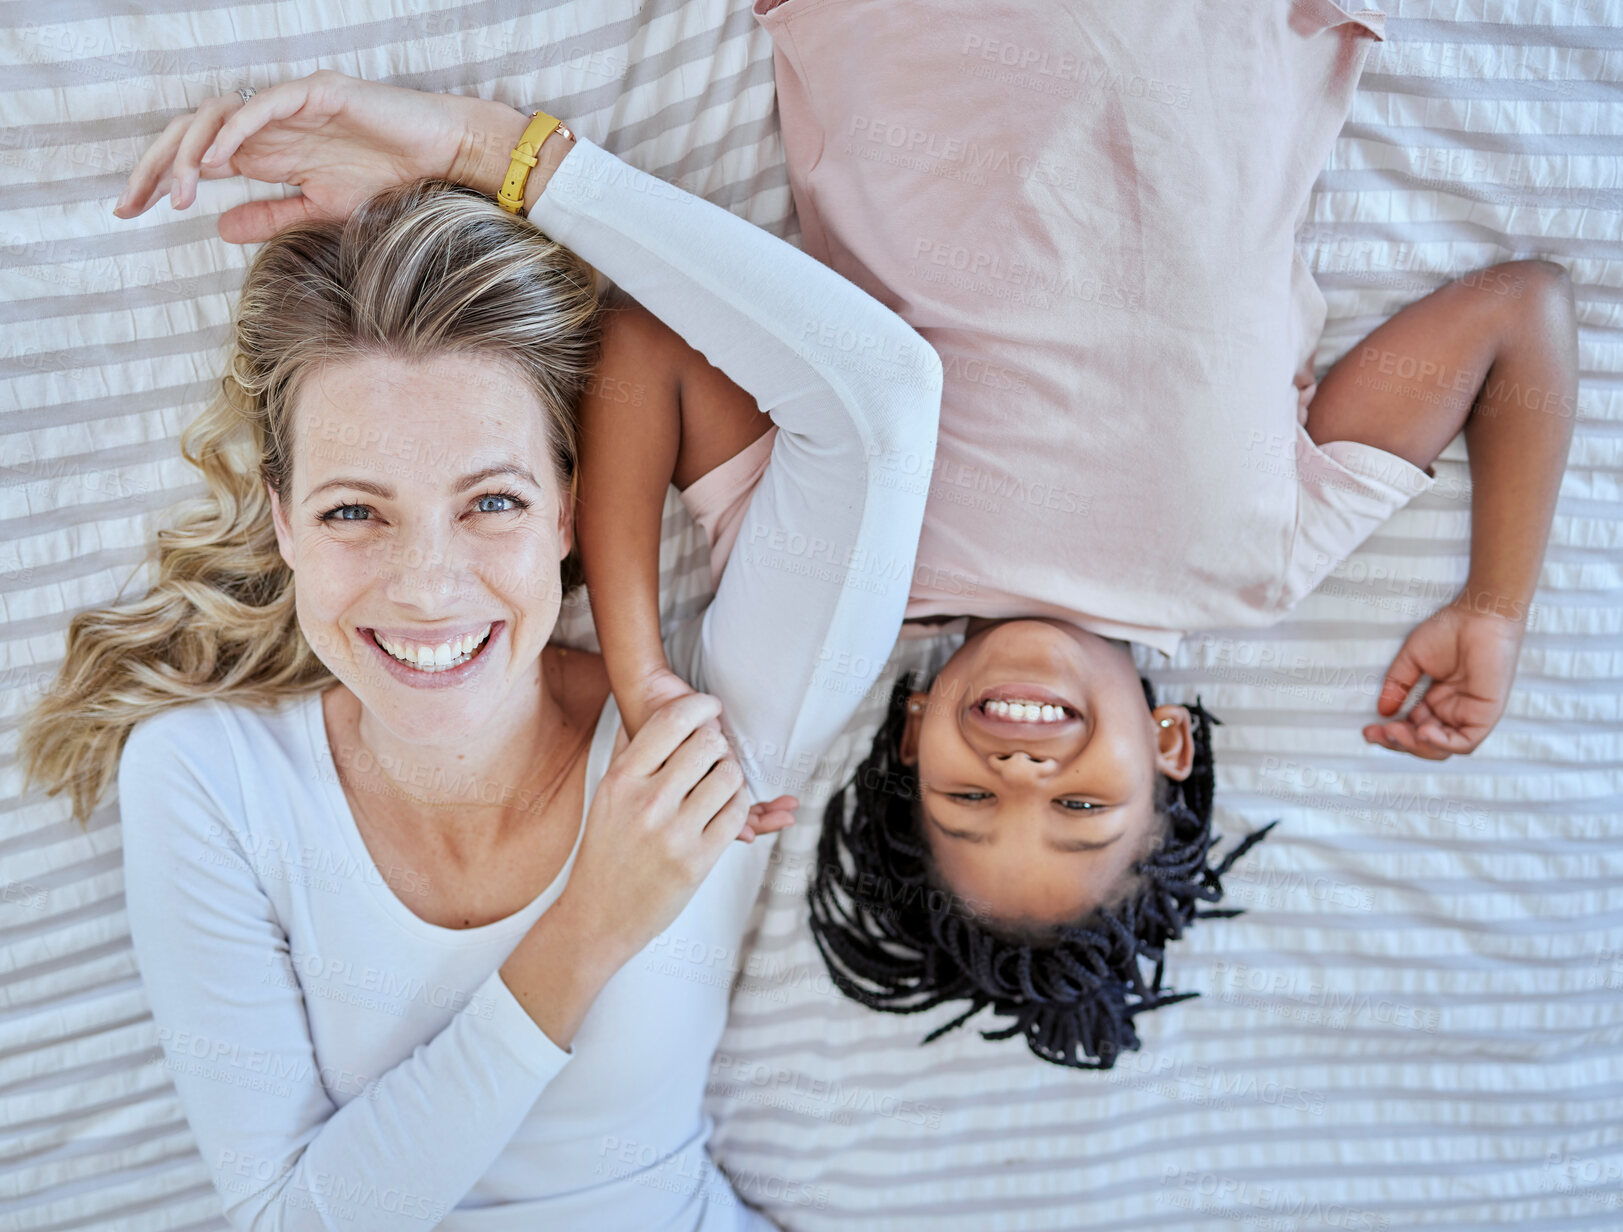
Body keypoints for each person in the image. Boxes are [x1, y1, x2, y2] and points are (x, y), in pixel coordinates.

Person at [22, 71, 940, 1229]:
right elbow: (287, 1216)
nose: (429, 586)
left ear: (572, 507)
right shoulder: (208, 777)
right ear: (282, 521)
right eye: (356, 510)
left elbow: (884, 400)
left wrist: (494, 151)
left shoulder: (690, 743)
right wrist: (592, 922)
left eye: (492, 502)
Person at [733, 0, 1576, 1068]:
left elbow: (653, 358)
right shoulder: (1258, 566)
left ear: (910, 734)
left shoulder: (848, 574)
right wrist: (1495, 605)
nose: (1024, 764)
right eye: (1081, 803)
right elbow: (1522, 313)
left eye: (968, 795)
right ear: (1169, 747)